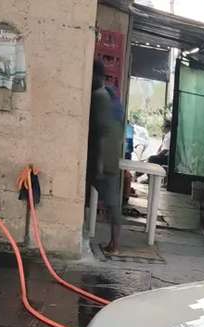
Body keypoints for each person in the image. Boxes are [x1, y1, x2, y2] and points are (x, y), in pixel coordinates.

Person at [87, 59, 123, 253]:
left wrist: (99, 164)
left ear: (96, 76)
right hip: (111, 155)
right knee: (112, 201)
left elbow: (100, 131)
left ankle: (115, 244)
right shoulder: (111, 95)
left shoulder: (99, 96)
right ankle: (113, 243)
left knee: (111, 202)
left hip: (103, 157)